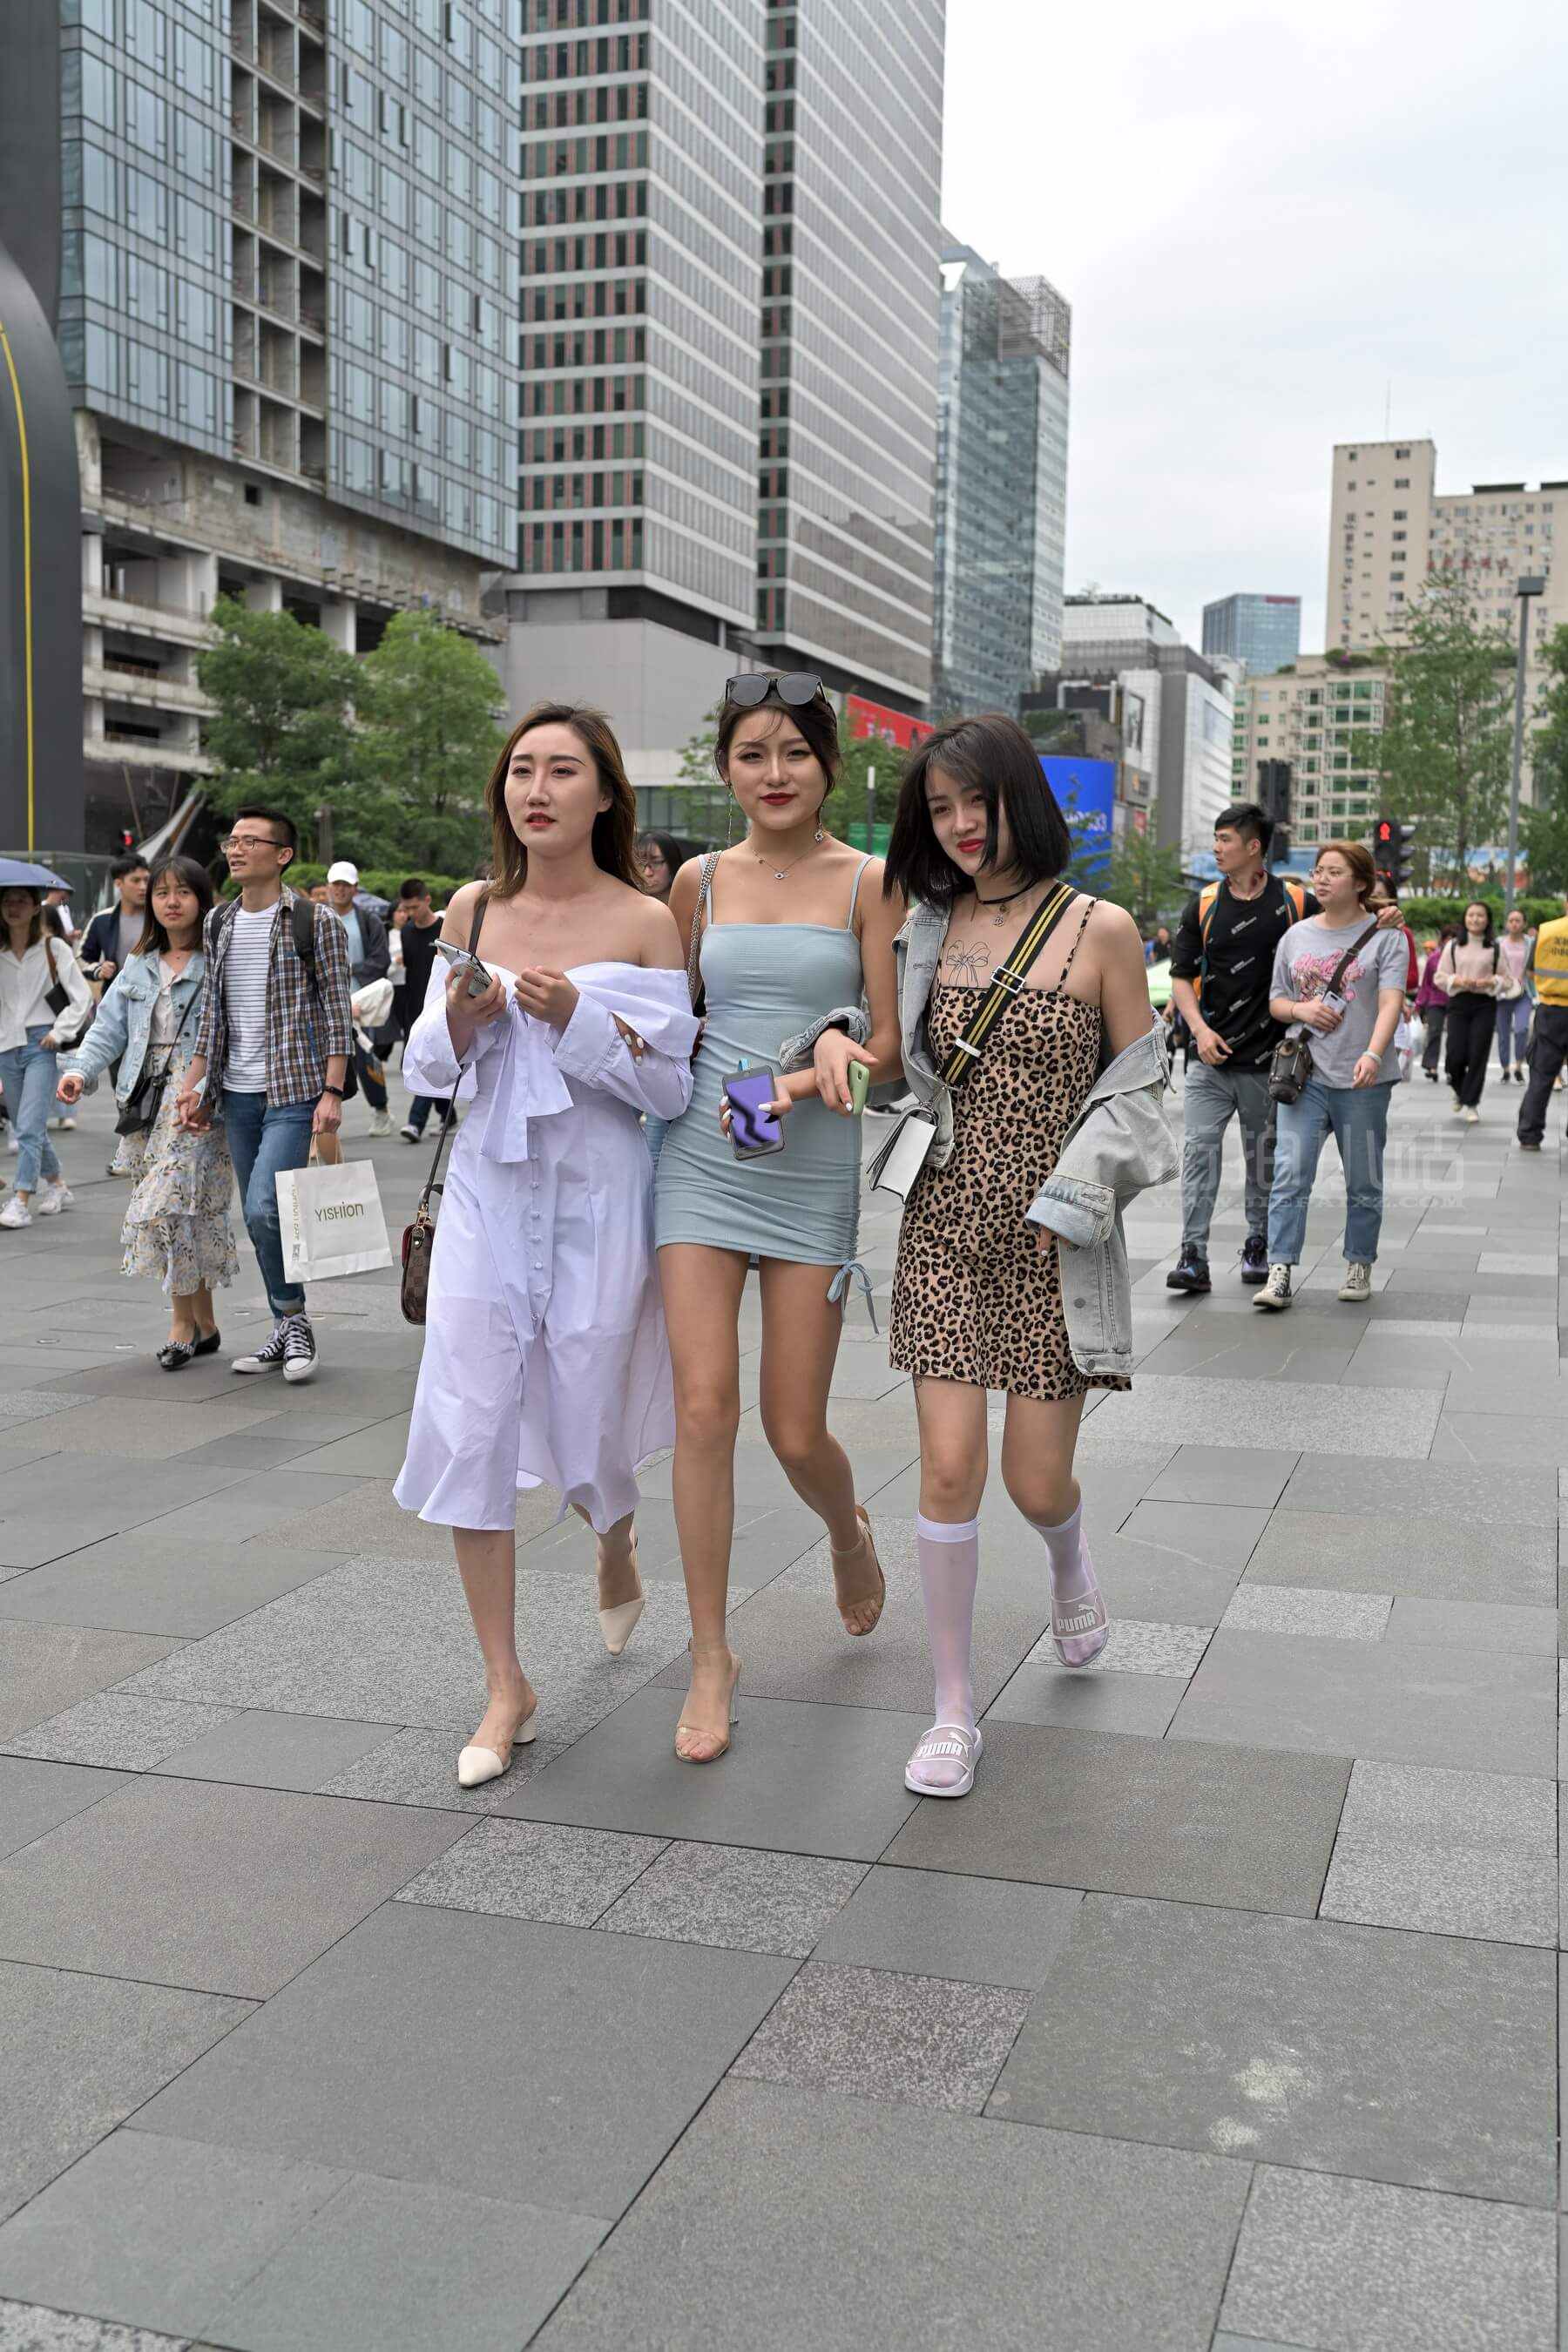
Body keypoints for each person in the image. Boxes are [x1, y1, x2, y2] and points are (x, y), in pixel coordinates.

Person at [393, 703, 698, 1788]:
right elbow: (427, 1067)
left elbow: (671, 1088)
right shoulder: (474, 907)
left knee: (589, 1407)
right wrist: (462, 1021)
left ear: (605, 793)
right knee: (471, 1420)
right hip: (488, 1189)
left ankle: (614, 1537)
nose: (538, 789)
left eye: (563, 770)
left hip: (600, 1199)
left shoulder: (648, 921)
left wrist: (578, 1018)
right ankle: (505, 1683)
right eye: (522, 769)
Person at [882, 715, 1173, 1799]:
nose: (960, 825)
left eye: (978, 802)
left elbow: (1140, 1094)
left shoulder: (1101, 929)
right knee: (948, 1468)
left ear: (1021, 802)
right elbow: (890, 1058)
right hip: (943, 1230)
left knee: (1034, 1479)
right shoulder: (922, 927)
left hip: (1057, 1242)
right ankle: (953, 1711)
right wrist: (819, 1048)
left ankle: (1067, 1558)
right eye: (940, 808)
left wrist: (1075, 1193)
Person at [657, 672, 903, 1764]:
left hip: (806, 1161)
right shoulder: (699, 881)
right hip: (700, 1155)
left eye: (794, 753)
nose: (773, 773)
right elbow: (669, 1017)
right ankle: (711, 1653)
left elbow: (894, 1049)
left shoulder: (870, 881)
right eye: (752, 754)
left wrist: (820, 1062)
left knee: (793, 1427)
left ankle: (847, 1531)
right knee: (703, 1410)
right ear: (725, 768)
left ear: (829, 767)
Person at [175, 808, 351, 1384]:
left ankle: (294, 1321)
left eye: (251, 841)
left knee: (263, 1207)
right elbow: (211, 1015)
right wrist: (194, 1086)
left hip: (294, 1090)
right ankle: (286, 1323)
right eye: (232, 840)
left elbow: (337, 1012)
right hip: (237, 1093)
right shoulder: (219, 921)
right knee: (258, 1217)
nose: (236, 849)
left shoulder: (316, 922)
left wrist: (332, 1091)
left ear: (282, 855)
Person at [57, 858, 237, 1365]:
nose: (171, 902)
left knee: (172, 1204)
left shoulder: (219, 959)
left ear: (202, 899)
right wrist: (79, 1072)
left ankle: (180, 1324)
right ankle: (204, 1322)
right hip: (145, 1100)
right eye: (161, 893)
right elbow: (108, 1029)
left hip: (199, 1098)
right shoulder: (138, 964)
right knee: (185, 1210)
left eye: (183, 892)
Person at [1254, 840, 1409, 1311]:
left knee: (1363, 1178)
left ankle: (1359, 1262)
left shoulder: (1387, 936)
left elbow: (1391, 1001)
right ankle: (1280, 1270)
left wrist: (1373, 1053)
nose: (1321, 879)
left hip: (1363, 1079)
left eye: (1334, 872)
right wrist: (1300, 1009)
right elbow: (1277, 1000)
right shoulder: (1296, 936)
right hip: (1305, 1077)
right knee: (1289, 1173)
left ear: (1361, 883)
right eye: (1318, 870)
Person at [1166, 804, 1311, 1293]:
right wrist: (1199, 1031)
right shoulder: (1204, 904)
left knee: (1262, 1159)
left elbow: (1341, 927)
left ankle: (1257, 1244)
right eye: (1216, 838)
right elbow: (1181, 977)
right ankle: (1193, 1256)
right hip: (1208, 1060)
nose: (1216, 847)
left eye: (1225, 839)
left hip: (1269, 1064)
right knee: (1199, 1154)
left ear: (1254, 847)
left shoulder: (1294, 902)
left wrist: (1385, 915)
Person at [0, 886, 93, 1228]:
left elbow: (82, 997)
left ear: (35, 907)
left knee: (28, 1126)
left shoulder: (54, 948)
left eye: (21, 901)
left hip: (42, 1044)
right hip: (6, 1045)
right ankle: (57, 1184)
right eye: (7, 901)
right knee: (27, 1125)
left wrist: (59, 1031)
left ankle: (21, 1199)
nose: (13, 907)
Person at [324, 861, 392, 1136]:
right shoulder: (318, 918)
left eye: (346, 885)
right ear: (328, 886)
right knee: (324, 1060)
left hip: (360, 1002)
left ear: (355, 889)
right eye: (336, 884)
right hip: (326, 1003)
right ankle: (324, 1119)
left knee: (366, 1058)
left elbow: (381, 959)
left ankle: (381, 1109)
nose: (340, 890)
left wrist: (350, 970)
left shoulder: (368, 920)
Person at [391, 879, 449, 1140]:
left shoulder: (445, 928)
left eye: (414, 907)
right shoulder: (406, 932)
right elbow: (410, 972)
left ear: (427, 900)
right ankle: (448, 1113)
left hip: (441, 1004)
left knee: (427, 1062)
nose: (410, 913)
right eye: (406, 908)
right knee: (423, 1060)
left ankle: (415, 1122)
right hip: (414, 1006)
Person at [1437, 902, 1504, 1123]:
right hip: (1459, 1002)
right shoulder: (1453, 946)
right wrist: (1457, 980)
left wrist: (1491, 982)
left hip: (1485, 1004)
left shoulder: (1494, 947)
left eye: (1480, 915)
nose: (1475, 919)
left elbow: (1506, 979)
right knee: (1455, 1055)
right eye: (1471, 915)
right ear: (1465, 919)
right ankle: (1460, 1089)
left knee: (1478, 1054)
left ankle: (1472, 1103)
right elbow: (1439, 977)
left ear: (1488, 920)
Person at [1517, 891, 1568, 1149]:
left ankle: (1530, 1135)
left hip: (1551, 1010)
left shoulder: (1547, 931)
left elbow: (1529, 971)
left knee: (1542, 1074)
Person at [79, 855, 150, 988]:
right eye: (136, 880)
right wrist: (100, 970)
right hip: (115, 996)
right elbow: (82, 960)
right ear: (118, 884)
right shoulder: (102, 920)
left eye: (146, 880)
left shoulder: (160, 918)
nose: (143, 886)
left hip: (155, 996)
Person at [1496, 907, 1532, 1085]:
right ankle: (1505, 1070)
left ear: (1524, 923)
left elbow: (1534, 965)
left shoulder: (1530, 943)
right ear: (1507, 924)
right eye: (1511, 920)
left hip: (1524, 993)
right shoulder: (1499, 943)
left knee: (1522, 1029)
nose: (1514, 924)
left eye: (1518, 920)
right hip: (1503, 994)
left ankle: (1518, 1066)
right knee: (1503, 1034)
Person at [1415, 928, 1454, 1079]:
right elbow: (1426, 984)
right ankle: (1432, 1067)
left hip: (1455, 999)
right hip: (1435, 999)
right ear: (1442, 941)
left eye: (1453, 939)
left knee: (1454, 1035)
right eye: (1447, 938)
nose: (1450, 942)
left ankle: (1452, 1069)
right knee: (1434, 1032)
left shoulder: (1460, 957)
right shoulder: (1433, 958)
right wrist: (1420, 1003)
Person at [637, 833, 690, 906]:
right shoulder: (630, 906)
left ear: (673, 863)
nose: (647, 873)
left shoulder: (692, 906)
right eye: (641, 864)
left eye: (656, 862)